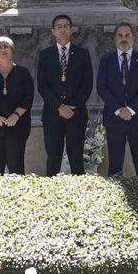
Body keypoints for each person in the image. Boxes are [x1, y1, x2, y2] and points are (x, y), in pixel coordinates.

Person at [36, 14, 93, 175]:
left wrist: (71, 107)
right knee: (53, 157)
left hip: (77, 114)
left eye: (66, 26)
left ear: (71, 30)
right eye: (59, 26)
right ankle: (52, 194)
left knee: (76, 158)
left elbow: (87, 85)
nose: (63, 29)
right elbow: (42, 85)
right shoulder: (45, 55)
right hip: (52, 114)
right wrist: (59, 107)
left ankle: (79, 193)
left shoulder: (82, 54)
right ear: (53, 31)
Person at [97, 22, 138, 177]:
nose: (124, 39)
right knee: (115, 165)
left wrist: (130, 109)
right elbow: (102, 87)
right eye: (120, 35)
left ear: (133, 38)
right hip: (114, 119)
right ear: (115, 39)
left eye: (127, 35)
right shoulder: (106, 60)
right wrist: (119, 110)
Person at [0, 37, 34, 174]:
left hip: (17, 126)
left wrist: (16, 115)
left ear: (12, 50)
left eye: (6, 47)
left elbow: (28, 97)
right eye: (0, 47)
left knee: (16, 168)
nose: (3, 50)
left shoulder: (23, 73)